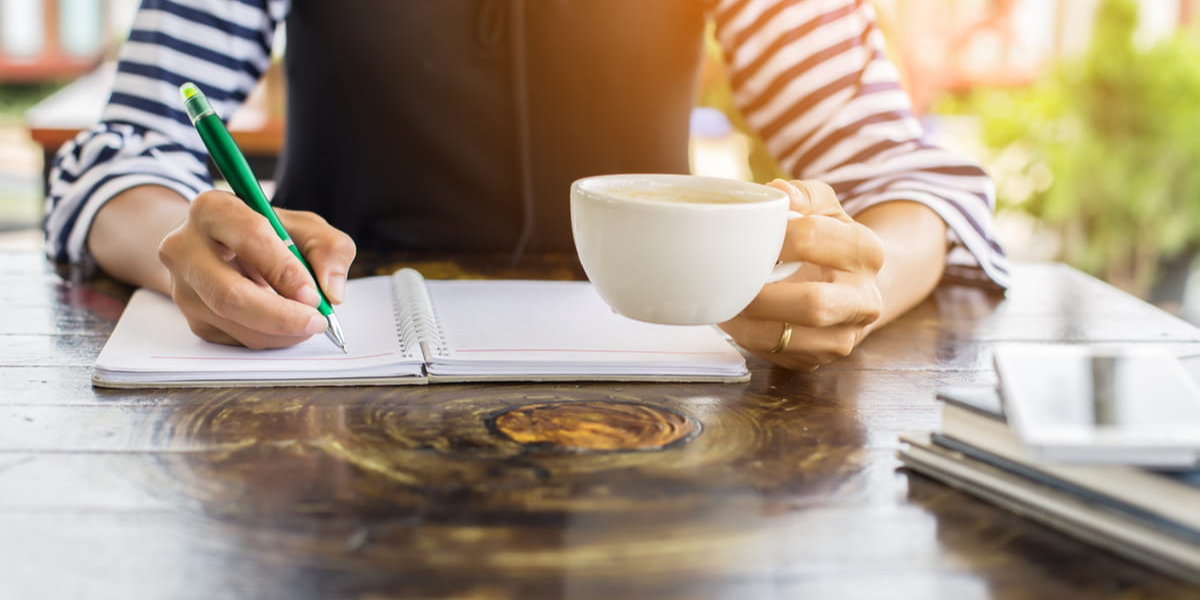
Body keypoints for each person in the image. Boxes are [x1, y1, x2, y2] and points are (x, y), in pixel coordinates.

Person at [45, 0, 1008, 371]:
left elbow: (910, 172)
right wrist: (188, 247)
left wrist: (862, 275)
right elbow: (126, 150)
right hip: (329, 379)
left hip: (651, 414)